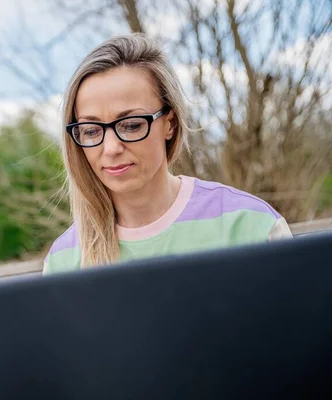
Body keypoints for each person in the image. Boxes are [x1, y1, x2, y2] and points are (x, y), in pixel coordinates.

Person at [43, 34, 292, 275]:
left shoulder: (251, 225)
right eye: (90, 130)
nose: (110, 148)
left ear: (169, 124)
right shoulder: (63, 260)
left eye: (131, 125)